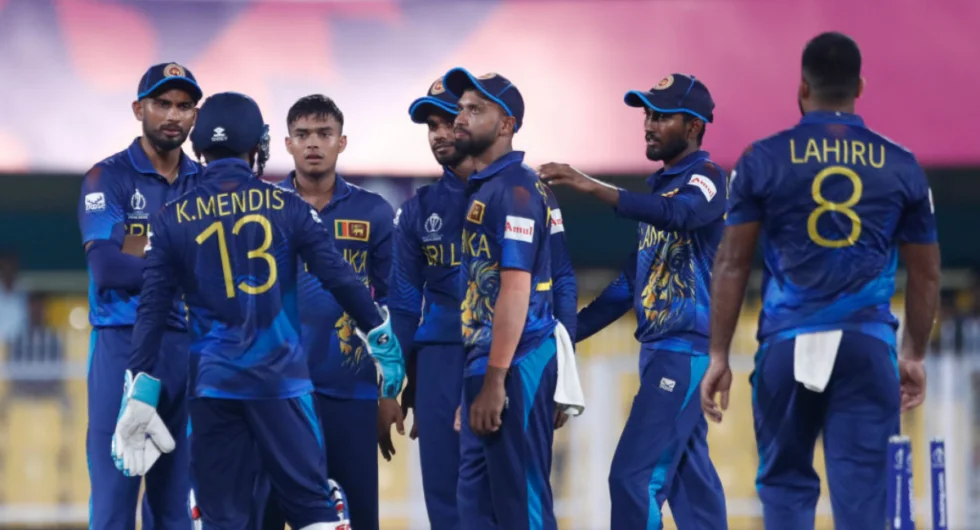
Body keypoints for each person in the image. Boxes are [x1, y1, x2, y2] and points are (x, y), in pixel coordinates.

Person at [112, 91, 405, 530]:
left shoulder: (170, 219)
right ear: (259, 145)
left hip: (212, 386)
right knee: (314, 511)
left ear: (199, 146)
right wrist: (380, 338)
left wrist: (138, 386)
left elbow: (151, 312)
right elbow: (341, 279)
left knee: (223, 520)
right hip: (282, 383)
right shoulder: (290, 208)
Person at [700, 32, 939, 530]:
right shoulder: (902, 165)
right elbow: (926, 271)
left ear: (803, 89)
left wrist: (718, 354)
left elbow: (732, 263)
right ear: (860, 87)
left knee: (785, 488)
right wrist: (913, 354)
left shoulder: (761, 159)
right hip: (866, 346)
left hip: (786, 345)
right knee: (865, 495)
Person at [540, 73, 728, 529]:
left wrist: (589, 185)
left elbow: (680, 214)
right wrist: (564, 335)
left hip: (682, 354)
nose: (648, 124)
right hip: (660, 354)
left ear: (694, 127)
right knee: (692, 485)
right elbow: (629, 286)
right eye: (647, 114)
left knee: (633, 479)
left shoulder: (707, 179)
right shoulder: (660, 192)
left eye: (661, 116)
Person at [260, 94, 396, 530]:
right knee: (266, 517)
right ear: (287, 144)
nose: (313, 143)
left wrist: (389, 392)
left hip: (352, 393)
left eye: (324, 133)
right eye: (302, 135)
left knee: (356, 519)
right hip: (275, 393)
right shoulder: (263, 208)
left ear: (342, 141)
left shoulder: (373, 212)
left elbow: (392, 305)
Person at [78, 62, 202, 530]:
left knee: (176, 511)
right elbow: (107, 269)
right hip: (121, 344)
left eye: (184, 106)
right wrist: (182, 266)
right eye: (162, 103)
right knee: (114, 505)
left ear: (195, 116)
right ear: (138, 109)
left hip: (188, 348)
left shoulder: (203, 183)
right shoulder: (107, 177)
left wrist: (146, 258)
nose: (173, 115)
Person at [442, 67, 561, 530]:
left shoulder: (516, 190)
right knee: (475, 509)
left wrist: (494, 382)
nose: (460, 118)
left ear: (507, 124)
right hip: (487, 365)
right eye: (460, 109)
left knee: (521, 505)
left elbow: (515, 288)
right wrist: (475, 382)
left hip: (517, 364)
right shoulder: (488, 187)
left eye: (476, 109)